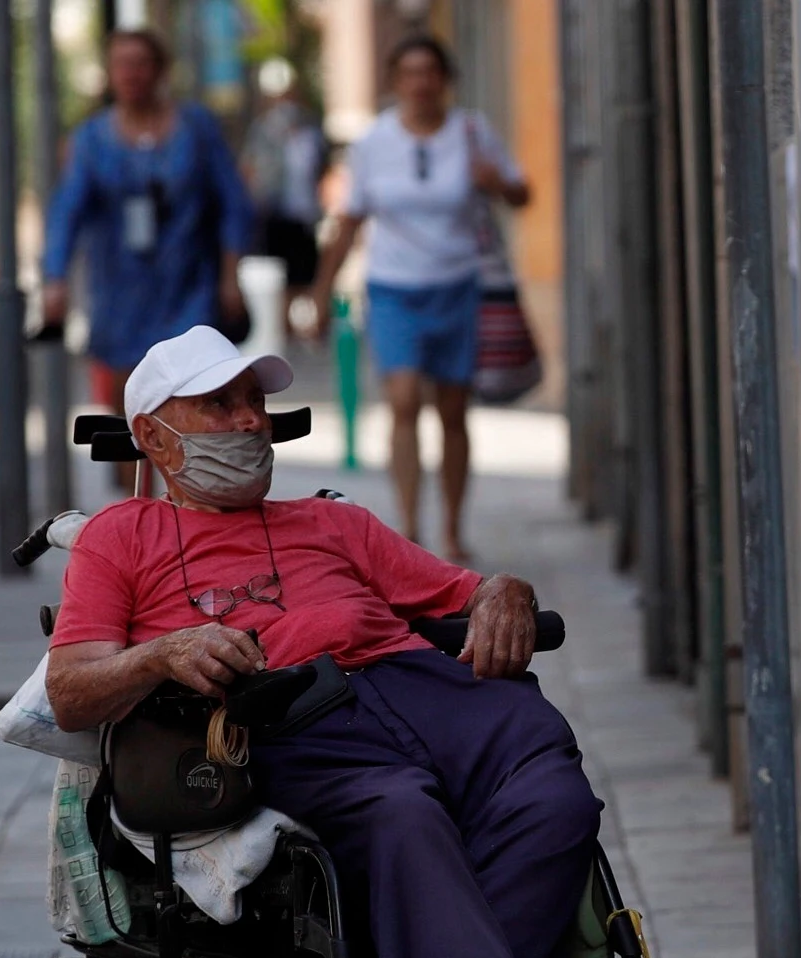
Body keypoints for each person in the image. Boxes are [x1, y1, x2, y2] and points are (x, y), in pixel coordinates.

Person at [42, 326, 613, 958]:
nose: (248, 422)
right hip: (288, 713)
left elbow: (466, 589)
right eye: (219, 404)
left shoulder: (331, 522)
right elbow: (70, 687)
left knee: (552, 792)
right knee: (399, 810)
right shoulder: (120, 537)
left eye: (254, 403)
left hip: (419, 686)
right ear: (154, 438)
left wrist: (507, 593)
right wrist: (165, 651)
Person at [306, 34, 531, 564]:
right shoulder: (374, 143)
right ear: (395, 82)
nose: (420, 82)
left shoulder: (472, 132)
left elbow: (522, 195)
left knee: (453, 411)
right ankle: (408, 526)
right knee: (404, 401)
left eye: (430, 71)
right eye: (409, 72)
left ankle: (452, 528)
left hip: (458, 286)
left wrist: (495, 181)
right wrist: (321, 292)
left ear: (444, 79)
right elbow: (350, 220)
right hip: (392, 289)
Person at [42, 28, 253, 495]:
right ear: (110, 73)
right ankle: (135, 515)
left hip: (188, 284)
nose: (131, 73)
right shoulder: (93, 138)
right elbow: (66, 212)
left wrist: (230, 273)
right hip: (120, 290)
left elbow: (233, 203)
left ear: (159, 70)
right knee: (130, 407)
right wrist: (54, 278)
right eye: (121, 64)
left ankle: (189, 508)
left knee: (190, 397)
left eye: (140, 62)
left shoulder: (196, 128)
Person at [241, 58, 326, 336]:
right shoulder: (264, 129)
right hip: (274, 212)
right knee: (281, 272)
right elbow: (252, 167)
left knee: (303, 272)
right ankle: (282, 326)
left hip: (303, 213)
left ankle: (298, 323)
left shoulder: (310, 127)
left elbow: (319, 165)